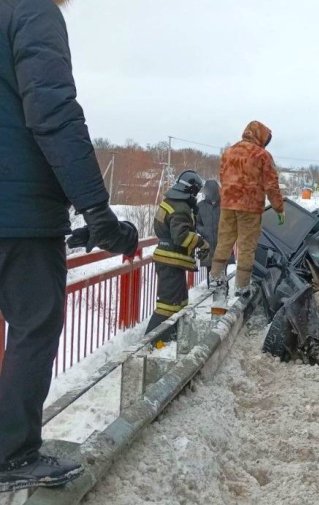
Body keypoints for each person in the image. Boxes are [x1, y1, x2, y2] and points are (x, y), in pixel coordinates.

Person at [0, 0, 138, 492]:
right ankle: (12, 457)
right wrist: (97, 211)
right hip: (16, 212)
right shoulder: (30, 10)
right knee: (34, 325)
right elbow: (53, 112)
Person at [210, 121, 285, 299]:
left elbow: (222, 176)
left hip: (228, 204)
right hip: (250, 207)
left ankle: (215, 276)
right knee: (246, 246)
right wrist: (279, 208)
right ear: (260, 136)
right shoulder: (262, 155)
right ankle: (242, 286)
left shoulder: (228, 152)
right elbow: (271, 185)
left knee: (224, 240)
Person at [146, 171, 209, 341]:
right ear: (192, 190)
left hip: (171, 261)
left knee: (179, 303)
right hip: (171, 261)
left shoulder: (171, 202)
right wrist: (201, 243)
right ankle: (151, 343)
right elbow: (181, 236)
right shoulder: (181, 207)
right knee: (167, 306)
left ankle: (170, 338)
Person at [196, 180, 222, 287]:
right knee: (209, 268)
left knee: (221, 267)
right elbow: (196, 223)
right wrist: (203, 230)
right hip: (207, 243)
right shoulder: (200, 206)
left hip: (222, 243)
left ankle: (222, 288)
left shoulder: (224, 206)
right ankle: (210, 286)